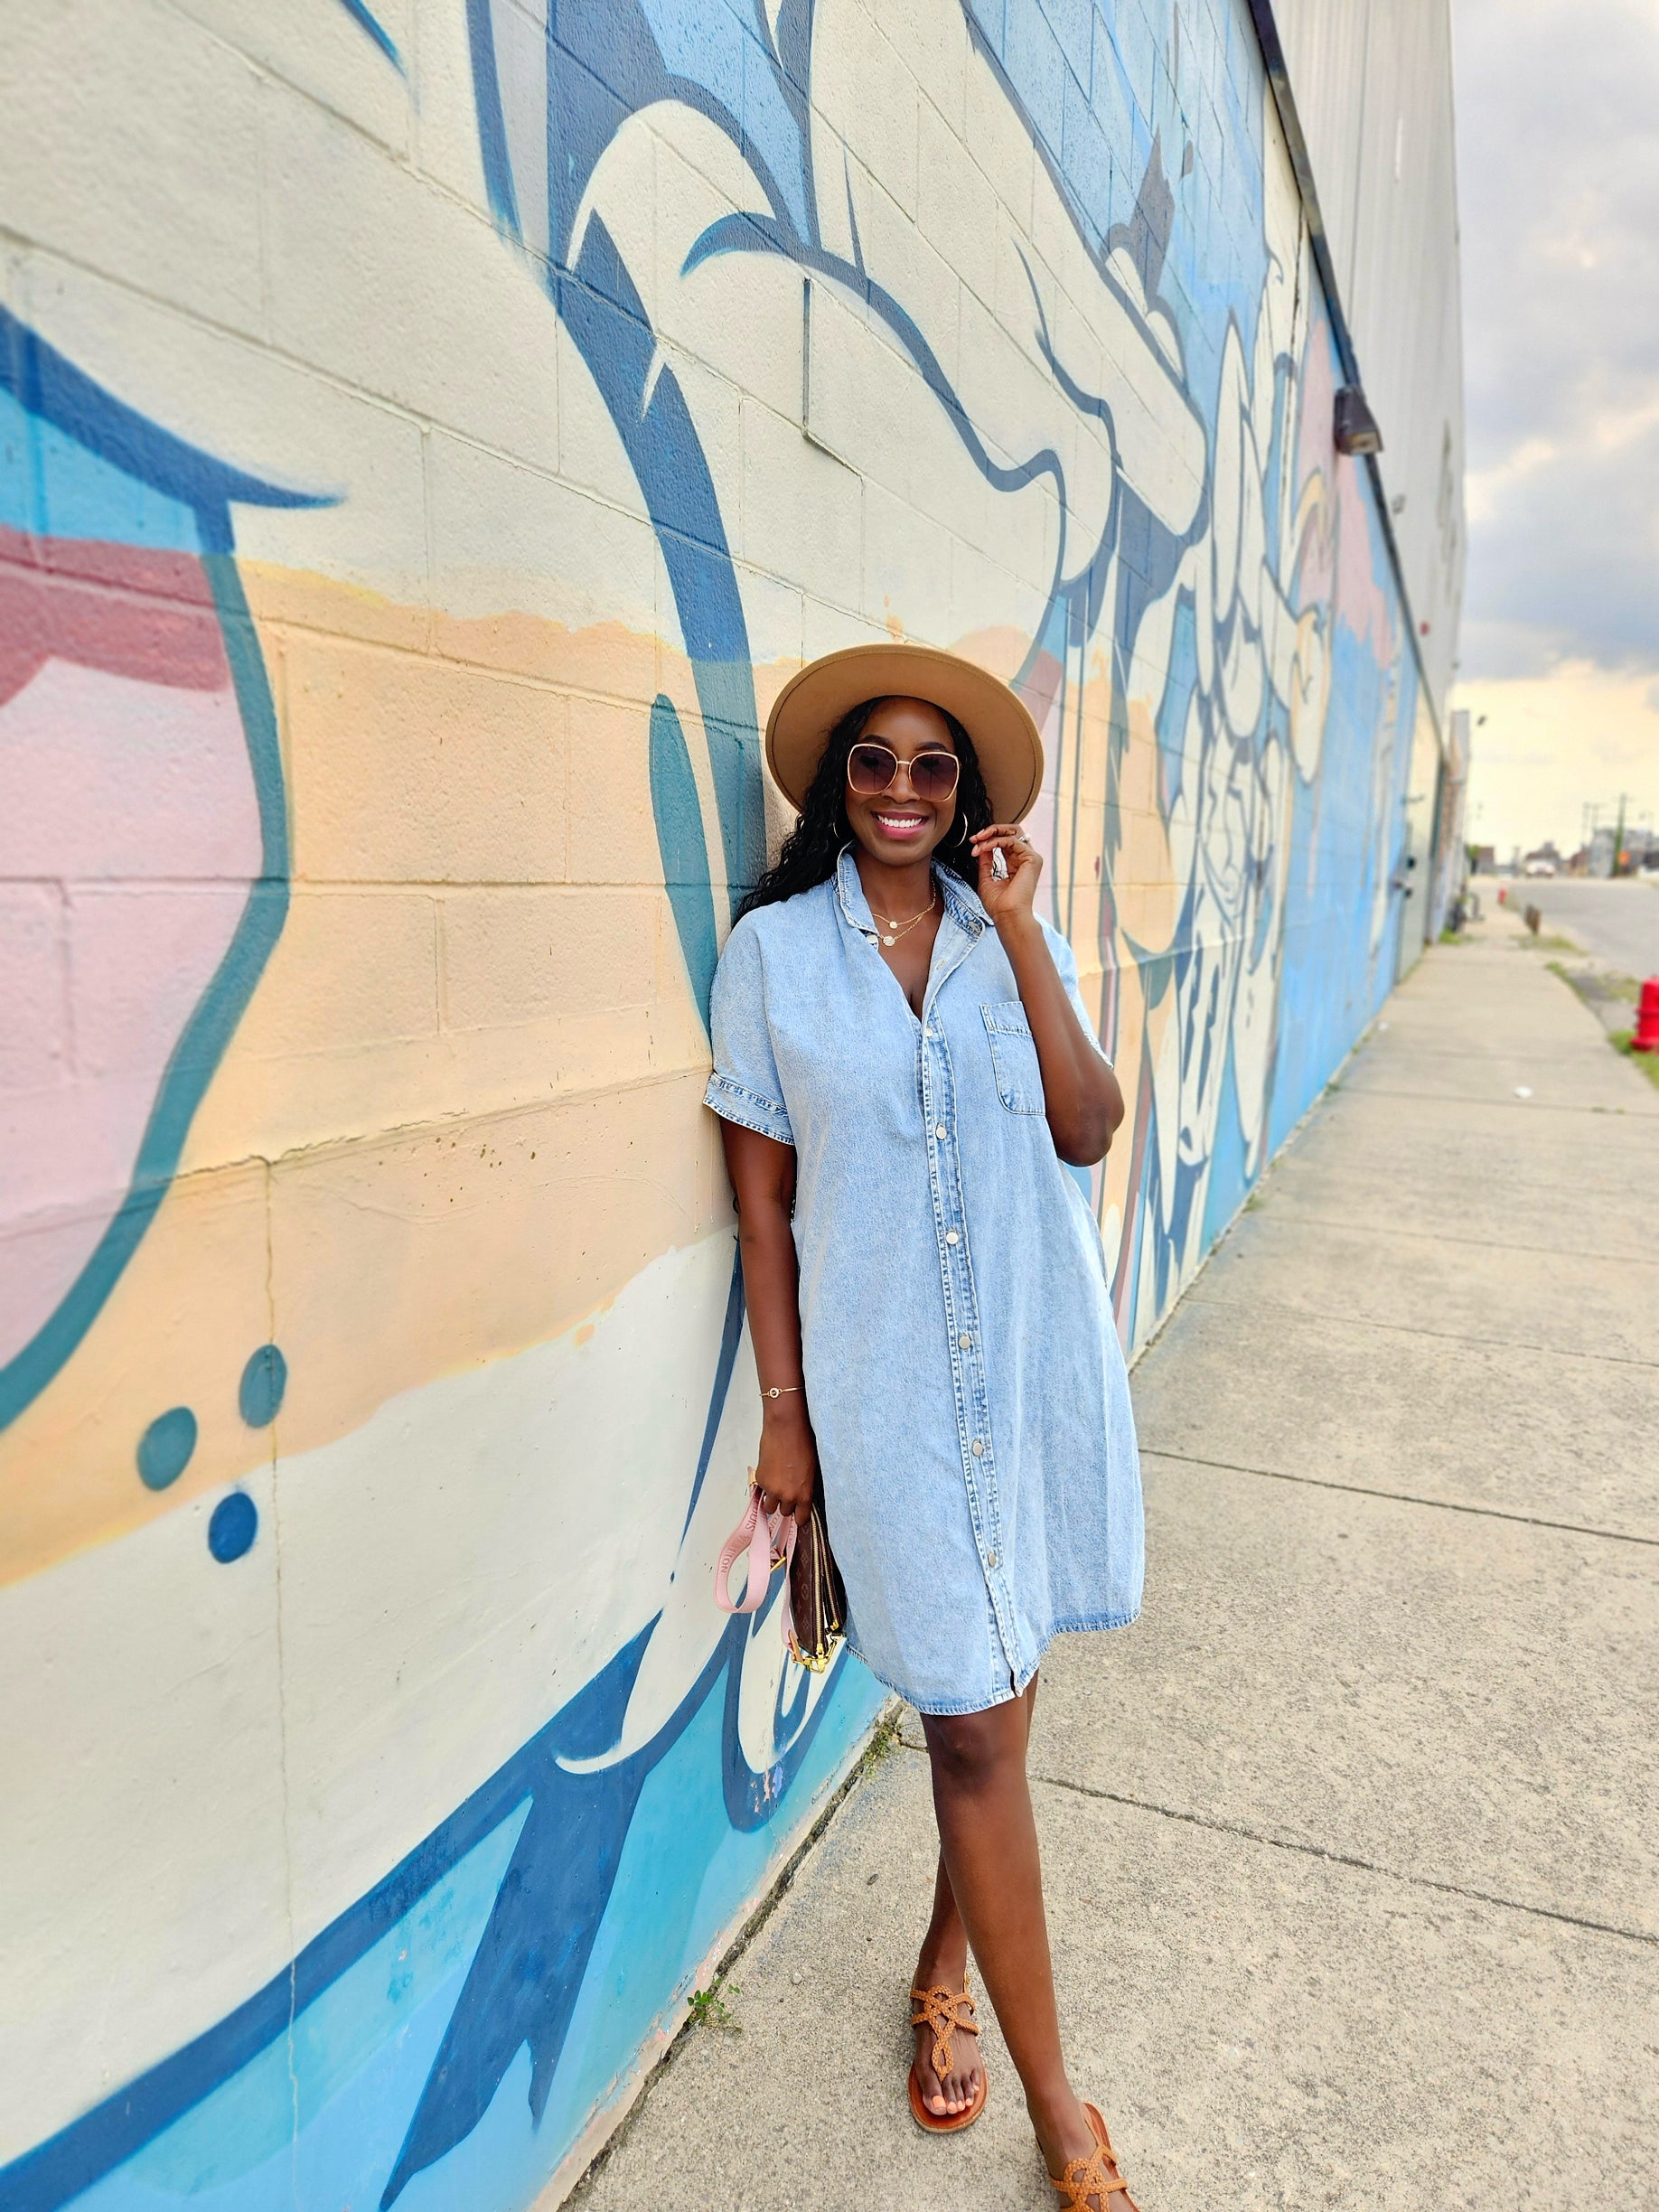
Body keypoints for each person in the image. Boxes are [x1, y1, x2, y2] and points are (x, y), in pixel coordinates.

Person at [703, 643, 1146, 2212]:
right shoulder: (770, 959)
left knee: (994, 1715)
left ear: (966, 796)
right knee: (972, 1721)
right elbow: (762, 1209)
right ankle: (1058, 2109)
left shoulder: (1003, 936)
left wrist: (1020, 930)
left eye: (932, 767)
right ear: (838, 783)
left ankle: (944, 1965)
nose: (900, 790)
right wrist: (786, 1422)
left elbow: (1087, 1129)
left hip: (1023, 1373)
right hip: (883, 1389)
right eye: (874, 763)